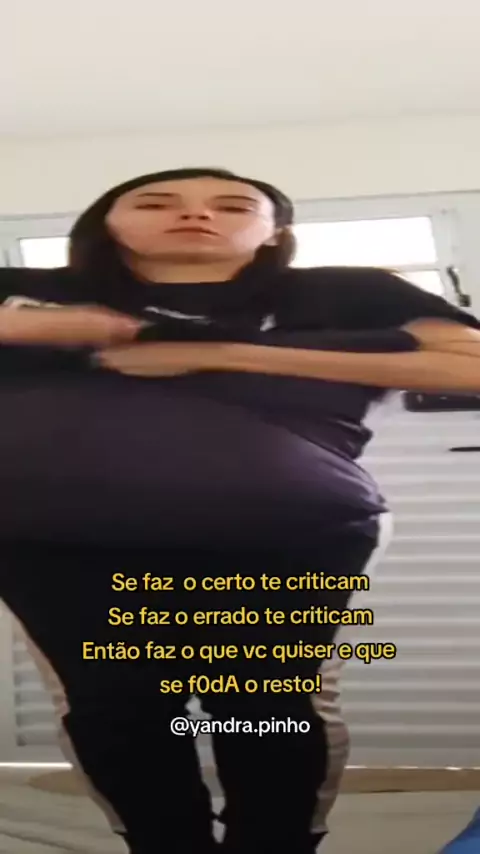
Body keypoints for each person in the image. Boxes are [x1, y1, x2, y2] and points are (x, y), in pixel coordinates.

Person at [0, 167, 479, 854]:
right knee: (115, 703)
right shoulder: (27, 288)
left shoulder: (345, 291)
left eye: (232, 206)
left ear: (275, 233)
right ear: (105, 220)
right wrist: (38, 326)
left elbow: (468, 365)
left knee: (263, 702)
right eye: (157, 202)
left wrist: (216, 354)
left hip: (279, 535)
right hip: (55, 539)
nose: (196, 214)